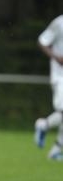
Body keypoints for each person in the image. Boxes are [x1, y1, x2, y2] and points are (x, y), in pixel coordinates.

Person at [34, 14, 63, 160]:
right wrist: (56, 57)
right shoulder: (59, 23)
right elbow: (42, 41)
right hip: (60, 76)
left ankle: (56, 151)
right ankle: (43, 125)